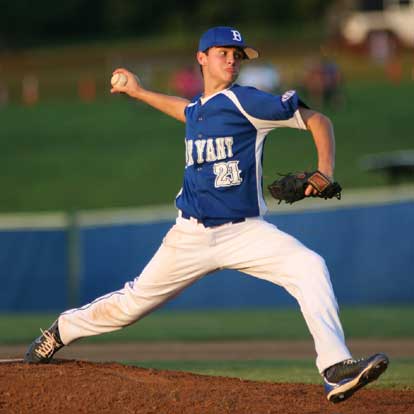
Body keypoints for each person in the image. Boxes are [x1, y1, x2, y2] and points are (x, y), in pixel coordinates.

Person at [24, 26, 388, 404]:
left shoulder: (247, 101)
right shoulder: (199, 109)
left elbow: (318, 120)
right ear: (201, 58)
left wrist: (324, 169)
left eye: (237, 54)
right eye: (223, 52)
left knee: (309, 266)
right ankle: (62, 330)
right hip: (191, 236)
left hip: (245, 233)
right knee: (130, 306)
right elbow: (186, 110)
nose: (232, 59)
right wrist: (137, 91)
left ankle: (334, 368)